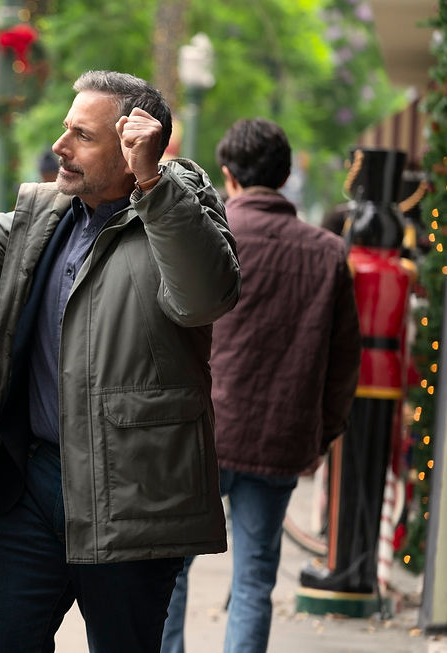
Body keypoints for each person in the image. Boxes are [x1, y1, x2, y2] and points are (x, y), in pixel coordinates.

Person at [0, 70, 241, 652]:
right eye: (66, 129)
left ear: (132, 150)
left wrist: (154, 182)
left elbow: (204, 297)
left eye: (82, 136)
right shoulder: (42, 216)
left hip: (134, 495)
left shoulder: (181, 211)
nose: (59, 146)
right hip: (31, 485)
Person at [160, 118, 361, 653]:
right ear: (286, 174)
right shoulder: (327, 253)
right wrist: (321, 438)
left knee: (169, 574)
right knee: (255, 580)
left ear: (227, 175)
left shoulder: (205, 236)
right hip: (281, 436)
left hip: (202, 434)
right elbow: (344, 364)